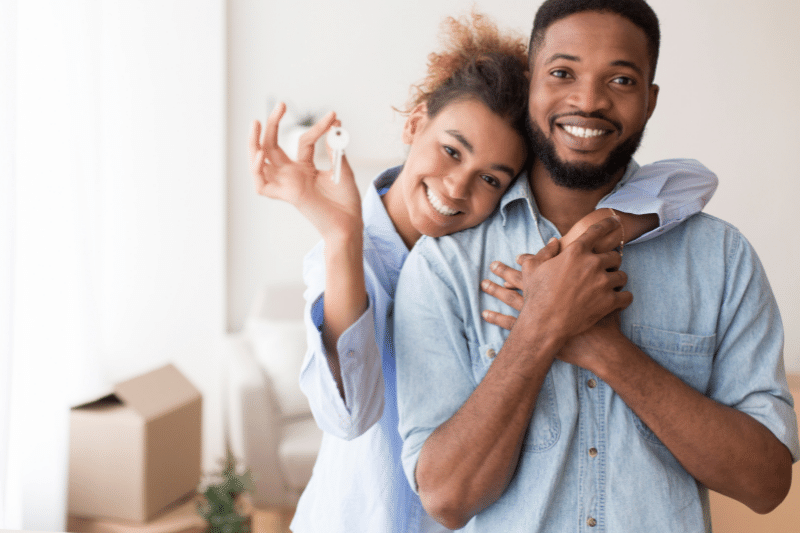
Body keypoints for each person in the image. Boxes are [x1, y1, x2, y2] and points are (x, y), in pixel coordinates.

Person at [249, 12, 719, 533]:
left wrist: (594, 230)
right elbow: (347, 417)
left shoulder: (490, 250)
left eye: (490, 178)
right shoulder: (351, 257)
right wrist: (341, 238)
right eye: (451, 151)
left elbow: (691, 181)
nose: (455, 188)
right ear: (413, 123)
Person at [394, 1, 800, 532]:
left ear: (650, 101)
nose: (588, 101)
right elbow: (446, 499)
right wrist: (540, 326)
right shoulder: (445, 264)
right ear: (531, 83)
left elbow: (766, 484)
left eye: (622, 80)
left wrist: (603, 349)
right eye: (562, 73)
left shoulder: (720, 257)